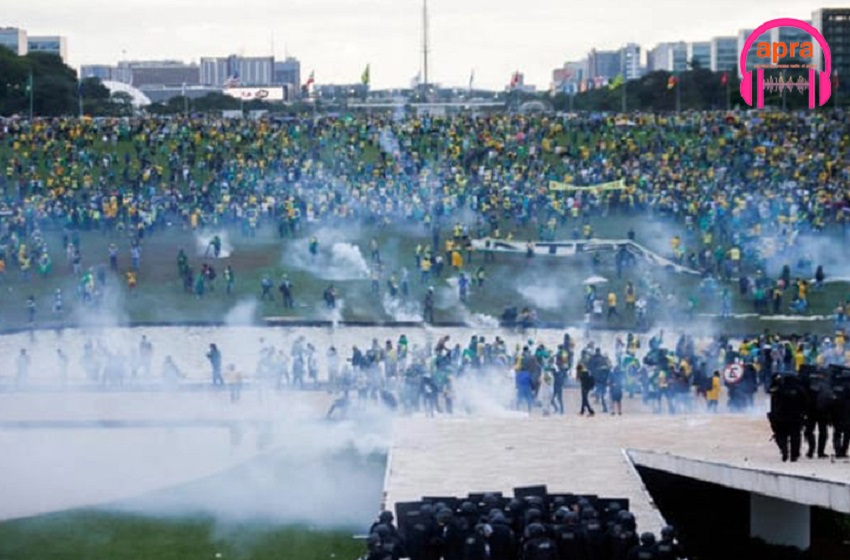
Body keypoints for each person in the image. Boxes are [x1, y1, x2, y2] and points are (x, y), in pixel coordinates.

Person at [768, 373, 806, 462]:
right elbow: (806, 403)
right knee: (795, 436)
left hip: (780, 417)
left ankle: (784, 450)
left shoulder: (777, 389)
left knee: (781, 435)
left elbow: (771, 398)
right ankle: (794, 455)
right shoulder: (800, 390)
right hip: (795, 417)